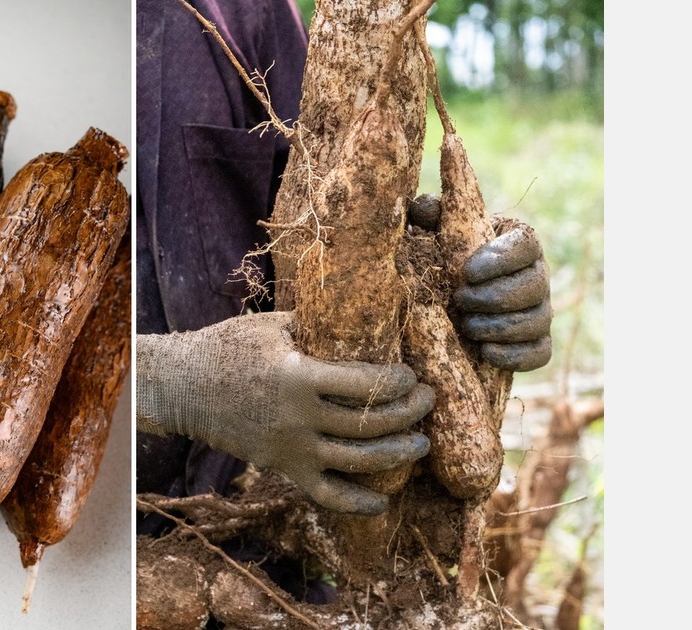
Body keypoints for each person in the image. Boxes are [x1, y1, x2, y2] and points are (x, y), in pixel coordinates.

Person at [135, 0, 551, 540]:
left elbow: (341, 234)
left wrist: (466, 275)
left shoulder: (246, 15)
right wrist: (169, 385)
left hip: (282, 525)